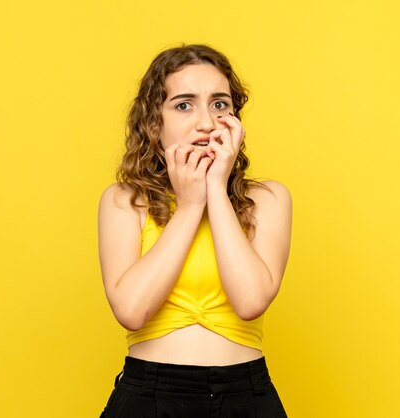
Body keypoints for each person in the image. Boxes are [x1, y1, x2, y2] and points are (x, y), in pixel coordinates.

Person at [97, 44, 292, 417]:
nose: (206, 122)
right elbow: (131, 311)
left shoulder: (267, 199)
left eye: (220, 104)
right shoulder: (124, 201)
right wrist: (188, 206)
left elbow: (250, 301)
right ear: (155, 122)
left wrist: (215, 189)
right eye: (184, 105)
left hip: (244, 396)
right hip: (148, 397)